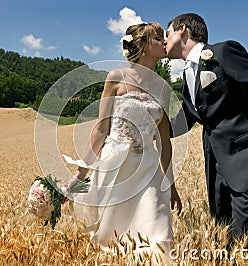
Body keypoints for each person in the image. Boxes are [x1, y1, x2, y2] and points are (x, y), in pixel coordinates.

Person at [62, 22, 182, 256]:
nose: (164, 41)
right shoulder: (116, 77)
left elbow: (164, 142)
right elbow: (100, 130)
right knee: (111, 240)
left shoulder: (164, 89)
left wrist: (170, 184)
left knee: (159, 234)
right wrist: (78, 176)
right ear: (143, 46)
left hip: (148, 170)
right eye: (158, 38)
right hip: (114, 167)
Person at [164, 13, 248, 244]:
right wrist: (153, 131)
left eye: (167, 34)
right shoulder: (186, 75)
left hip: (247, 160)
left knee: (245, 241)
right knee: (225, 237)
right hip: (215, 166)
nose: (164, 41)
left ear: (182, 30)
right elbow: (190, 116)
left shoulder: (223, 52)